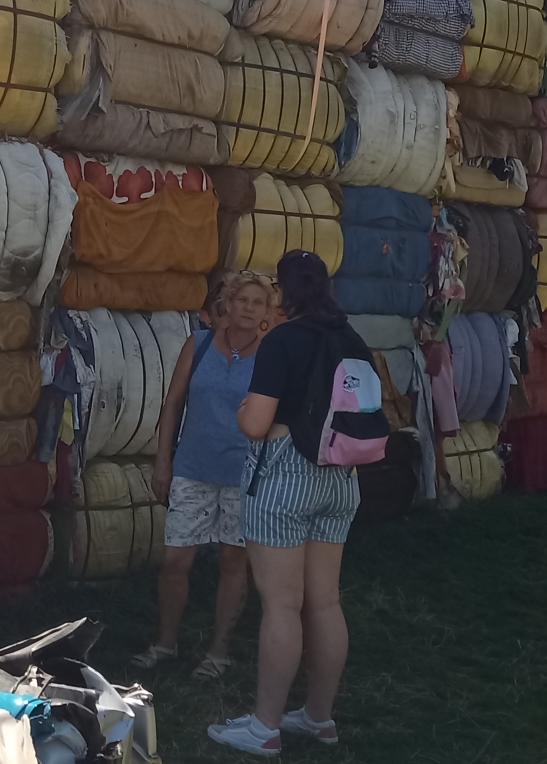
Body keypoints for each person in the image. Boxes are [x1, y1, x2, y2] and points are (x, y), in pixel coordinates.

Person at [208, 250, 374, 756]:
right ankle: (319, 717)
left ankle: (265, 727)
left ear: (285, 292)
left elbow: (256, 423)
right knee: (325, 601)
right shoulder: (351, 337)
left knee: (281, 604)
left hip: (285, 475)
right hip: (341, 477)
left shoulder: (283, 340)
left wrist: (244, 410)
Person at [131, 271, 273, 679]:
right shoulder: (200, 344)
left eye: (258, 303)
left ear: (267, 312)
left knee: (233, 561)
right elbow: (173, 403)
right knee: (175, 559)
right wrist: (163, 461)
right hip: (193, 467)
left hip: (244, 473)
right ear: (227, 303)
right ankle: (165, 643)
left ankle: (218, 652)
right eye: (242, 300)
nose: (248, 309)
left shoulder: (270, 355)